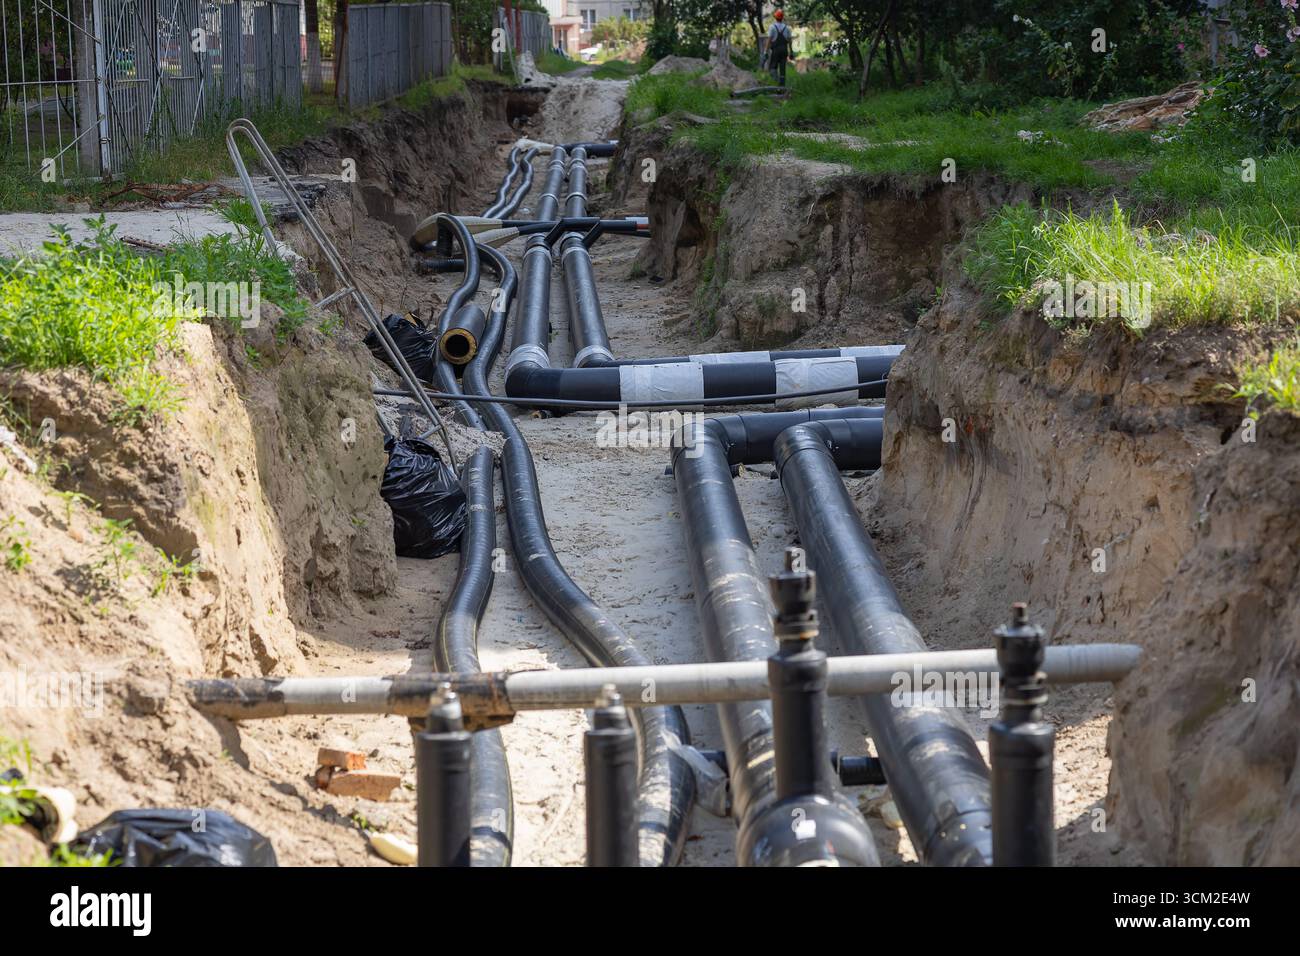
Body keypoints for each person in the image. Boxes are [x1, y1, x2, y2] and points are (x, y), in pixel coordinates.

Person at [766, 10, 793, 88]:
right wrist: (791, 52)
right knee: (782, 70)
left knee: (772, 68)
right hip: (784, 51)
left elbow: (769, 40)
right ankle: (782, 86)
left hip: (776, 51)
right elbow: (790, 41)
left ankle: (776, 83)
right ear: (782, 18)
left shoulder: (772, 27)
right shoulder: (787, 28)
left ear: (775, 18)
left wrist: (765, 52)